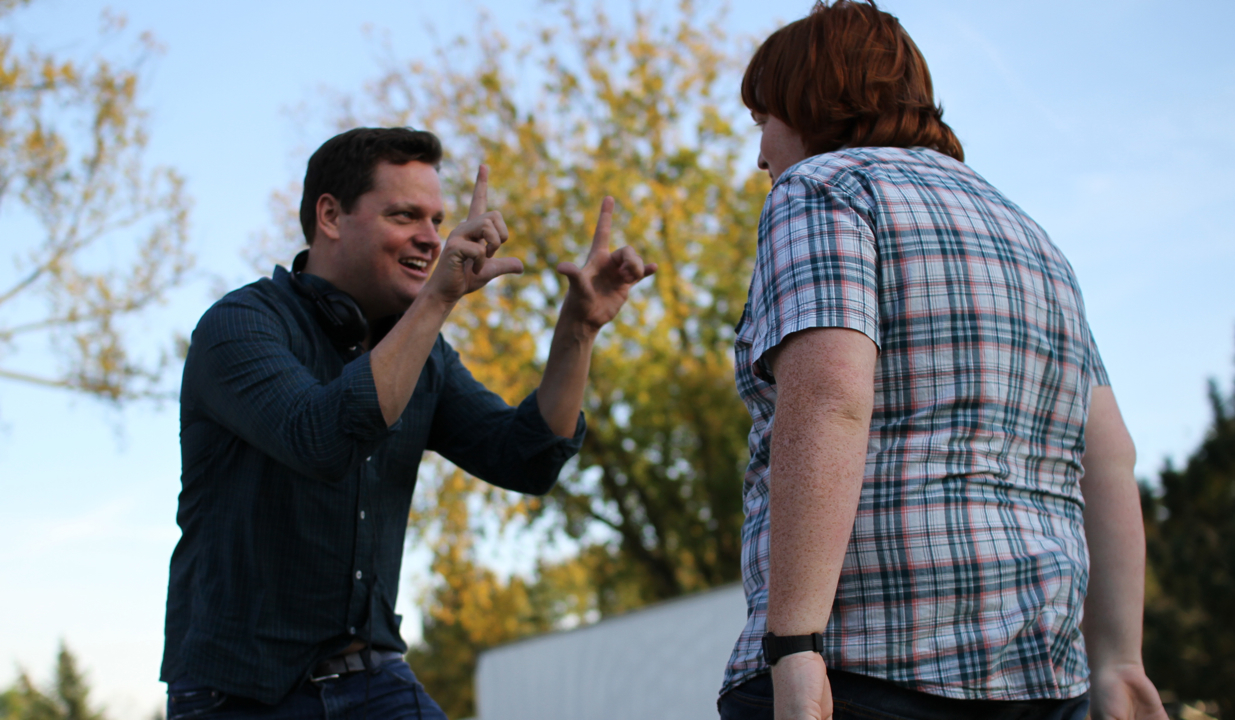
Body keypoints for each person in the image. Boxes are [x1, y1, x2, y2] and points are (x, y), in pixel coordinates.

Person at [717, 3, 1165, 720]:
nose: (760, 152)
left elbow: (832, 396)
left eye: (762, 119)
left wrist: (795, 645)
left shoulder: (822, 189)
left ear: (809, 100)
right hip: (1045, 680)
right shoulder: (1031, 236)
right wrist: (1119, 659)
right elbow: (1109, 455)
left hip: (868, 668)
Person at [161, 126, 655, 718]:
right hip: (240, 693)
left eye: (437, 220)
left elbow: (525, 457)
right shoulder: (239, 327)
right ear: (331, 216)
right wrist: (437, 301)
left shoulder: (424, 355)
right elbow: (321, 439)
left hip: (374, 679)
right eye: (405, 216)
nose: (432, 240)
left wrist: (579, 328)